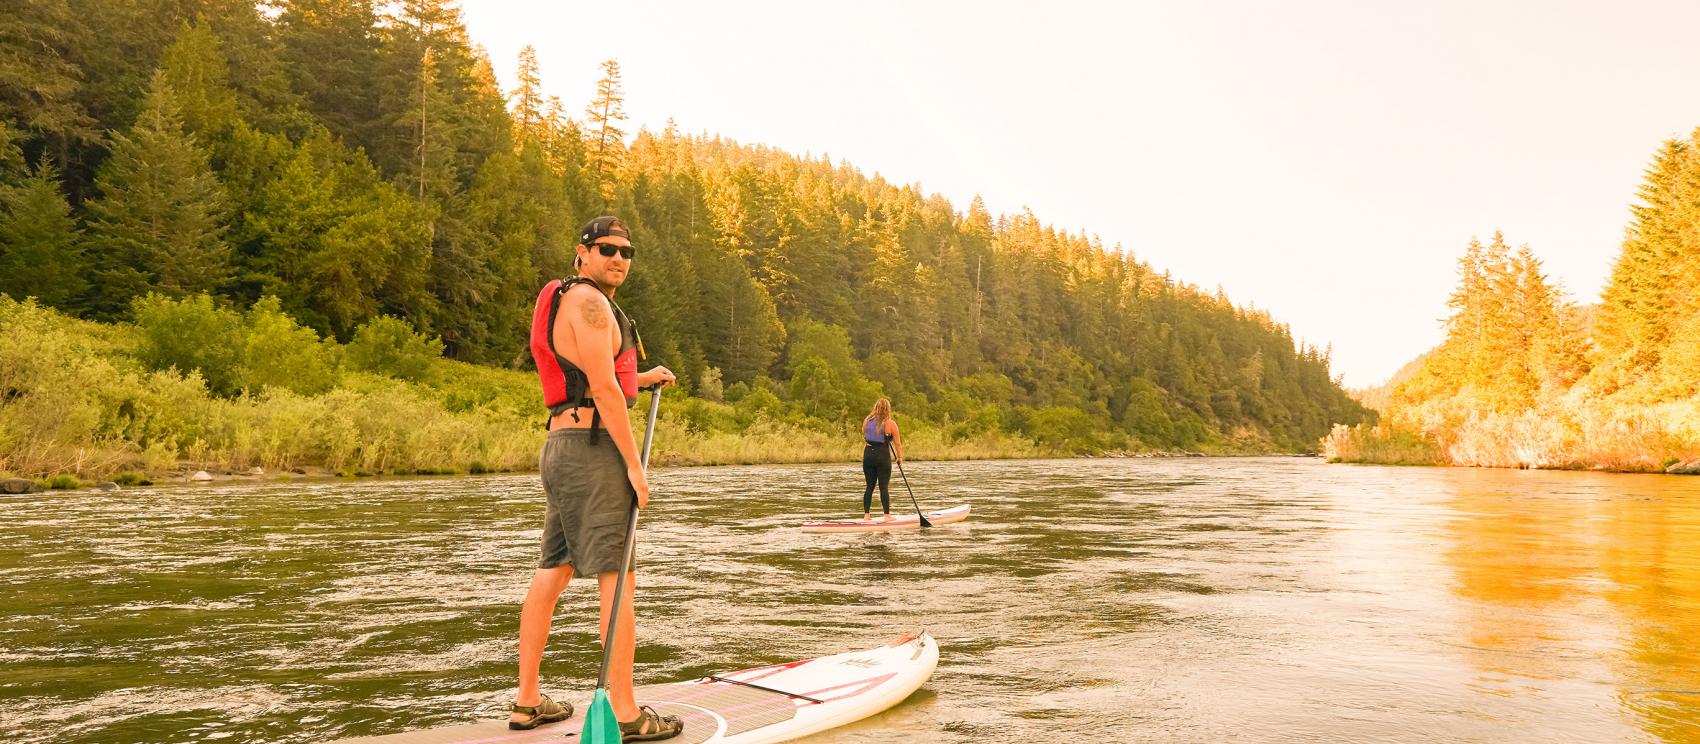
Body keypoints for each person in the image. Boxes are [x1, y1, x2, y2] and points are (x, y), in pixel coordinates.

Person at [512, 216, 682, 741]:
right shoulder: (589, 303)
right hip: (594, 449)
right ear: (581, 253)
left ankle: (528, 702)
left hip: (564, 445)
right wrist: (634, 465)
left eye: (627, 252)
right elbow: (605, 392)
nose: (618, 259)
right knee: (618, 577)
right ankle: (627, 713)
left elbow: (592, 374)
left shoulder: (574, 301)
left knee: (555, 570)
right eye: (607, 249)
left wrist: (644, 377)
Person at [861, 398, 903, 521]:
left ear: (876, 407)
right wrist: (899, 457)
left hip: (868, 454)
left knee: (869, 486)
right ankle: (887, 516)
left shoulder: (867, 420)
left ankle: (866, 515)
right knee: (883, 486)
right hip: (882, 455)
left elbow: (865, 434)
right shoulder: (890, 423)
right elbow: (898, 443)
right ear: (888, 409)